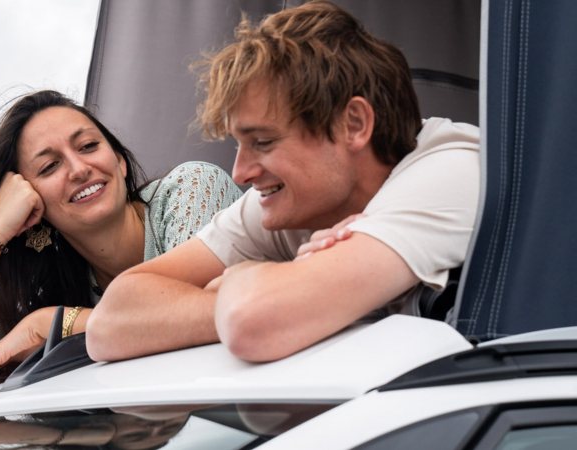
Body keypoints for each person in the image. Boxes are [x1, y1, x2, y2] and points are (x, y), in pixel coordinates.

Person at [87, 1, 480, 362]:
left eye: (263, 142)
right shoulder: (291, 200)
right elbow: (109, 323)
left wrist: (241, 279)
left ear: (354, 124)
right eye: (240, 144)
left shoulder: (452, 172)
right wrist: (260, 289)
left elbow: (250, 324)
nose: (240, 173)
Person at [0, 90, 241, 432]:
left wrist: (55, 325)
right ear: (31, 204)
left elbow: (201, 320)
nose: (78, 169)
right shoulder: (57, 288)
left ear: (118, 160)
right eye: (49, 166)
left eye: (88, 146)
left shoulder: (191, 187)